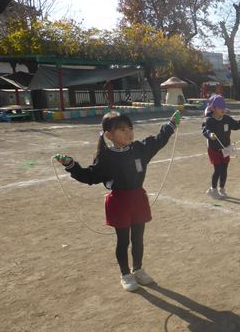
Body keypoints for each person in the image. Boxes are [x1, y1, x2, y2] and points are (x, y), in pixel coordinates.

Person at [54, 110, 180, 291]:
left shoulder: (139, 148)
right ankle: (125, 275)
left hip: (138, 198)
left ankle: (138, 269)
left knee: (138, 238)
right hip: (119, 202)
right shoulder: (106, 156)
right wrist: (71, 165)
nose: (128, 133)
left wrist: (171, 124)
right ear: (109, 135)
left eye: (130, 128)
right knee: (123, 240)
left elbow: (159, 140)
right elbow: (90, 176)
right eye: (122, 130)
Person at [202, 94, 240, 198]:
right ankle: (213, 189)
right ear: (213, 108)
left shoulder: (227, 119)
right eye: (220, 107)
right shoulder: (209, 120)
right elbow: (205, 130)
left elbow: (236, 125)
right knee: (217, 169)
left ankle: (222, 188)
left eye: (224, 107)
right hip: (214, 149)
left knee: (224, 169)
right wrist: (210, 134)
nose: (223, 109)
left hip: (226, 148)